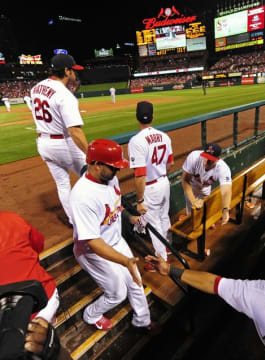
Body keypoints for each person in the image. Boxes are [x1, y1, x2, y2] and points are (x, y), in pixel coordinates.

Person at [70, 139, 155, 332]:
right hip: (92, 251)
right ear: (97, 165)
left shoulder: (109, 179)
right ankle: (91, 314)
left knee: (135, 280)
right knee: (117, 293)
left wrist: (132, 219)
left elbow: (116, 206)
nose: (118, 172)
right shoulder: (82, 196)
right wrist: (125, 261)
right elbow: (92, 241)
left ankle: (143, 320)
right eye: (113, 167)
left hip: (115, 240)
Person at [31, 53, 89, 226]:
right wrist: (90, 154)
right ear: (66, 70)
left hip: (43, 143)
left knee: (63, 185)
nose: (74, 73)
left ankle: (74, 221)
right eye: (72, 70)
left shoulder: (36, 88)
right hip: (63, 143)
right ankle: (102, 215)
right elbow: (75, 131)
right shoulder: (65, 95)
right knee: (93, 176)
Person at [128, 101, 173, 267]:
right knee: (163, 216)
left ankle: (162, 260)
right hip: (164, 181)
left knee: (153, 224)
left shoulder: (136, 141)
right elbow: (170, 163)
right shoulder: (164, 136)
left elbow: (140, 175)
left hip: (150, 187)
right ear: (152, 116)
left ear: (137, 117)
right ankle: (167, 247)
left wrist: (139, 201)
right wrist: (160, 170)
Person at [0, 212, 59, 324]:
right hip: (47, 297)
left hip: (8, 319)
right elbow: (39, 245)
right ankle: (50, 321)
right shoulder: (11, 218)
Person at [181, 143, 232, 225]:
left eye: (210, 159)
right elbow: (185, 180)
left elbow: (226, 190)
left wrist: (225, 209)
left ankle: (206, 222)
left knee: (206, 208)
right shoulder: (194, 157)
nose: (206, 161)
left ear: (217, 159)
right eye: (205, 156)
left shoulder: (223, 168)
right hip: (192, 186)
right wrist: (194, 201)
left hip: (206, 187)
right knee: (192, 212)